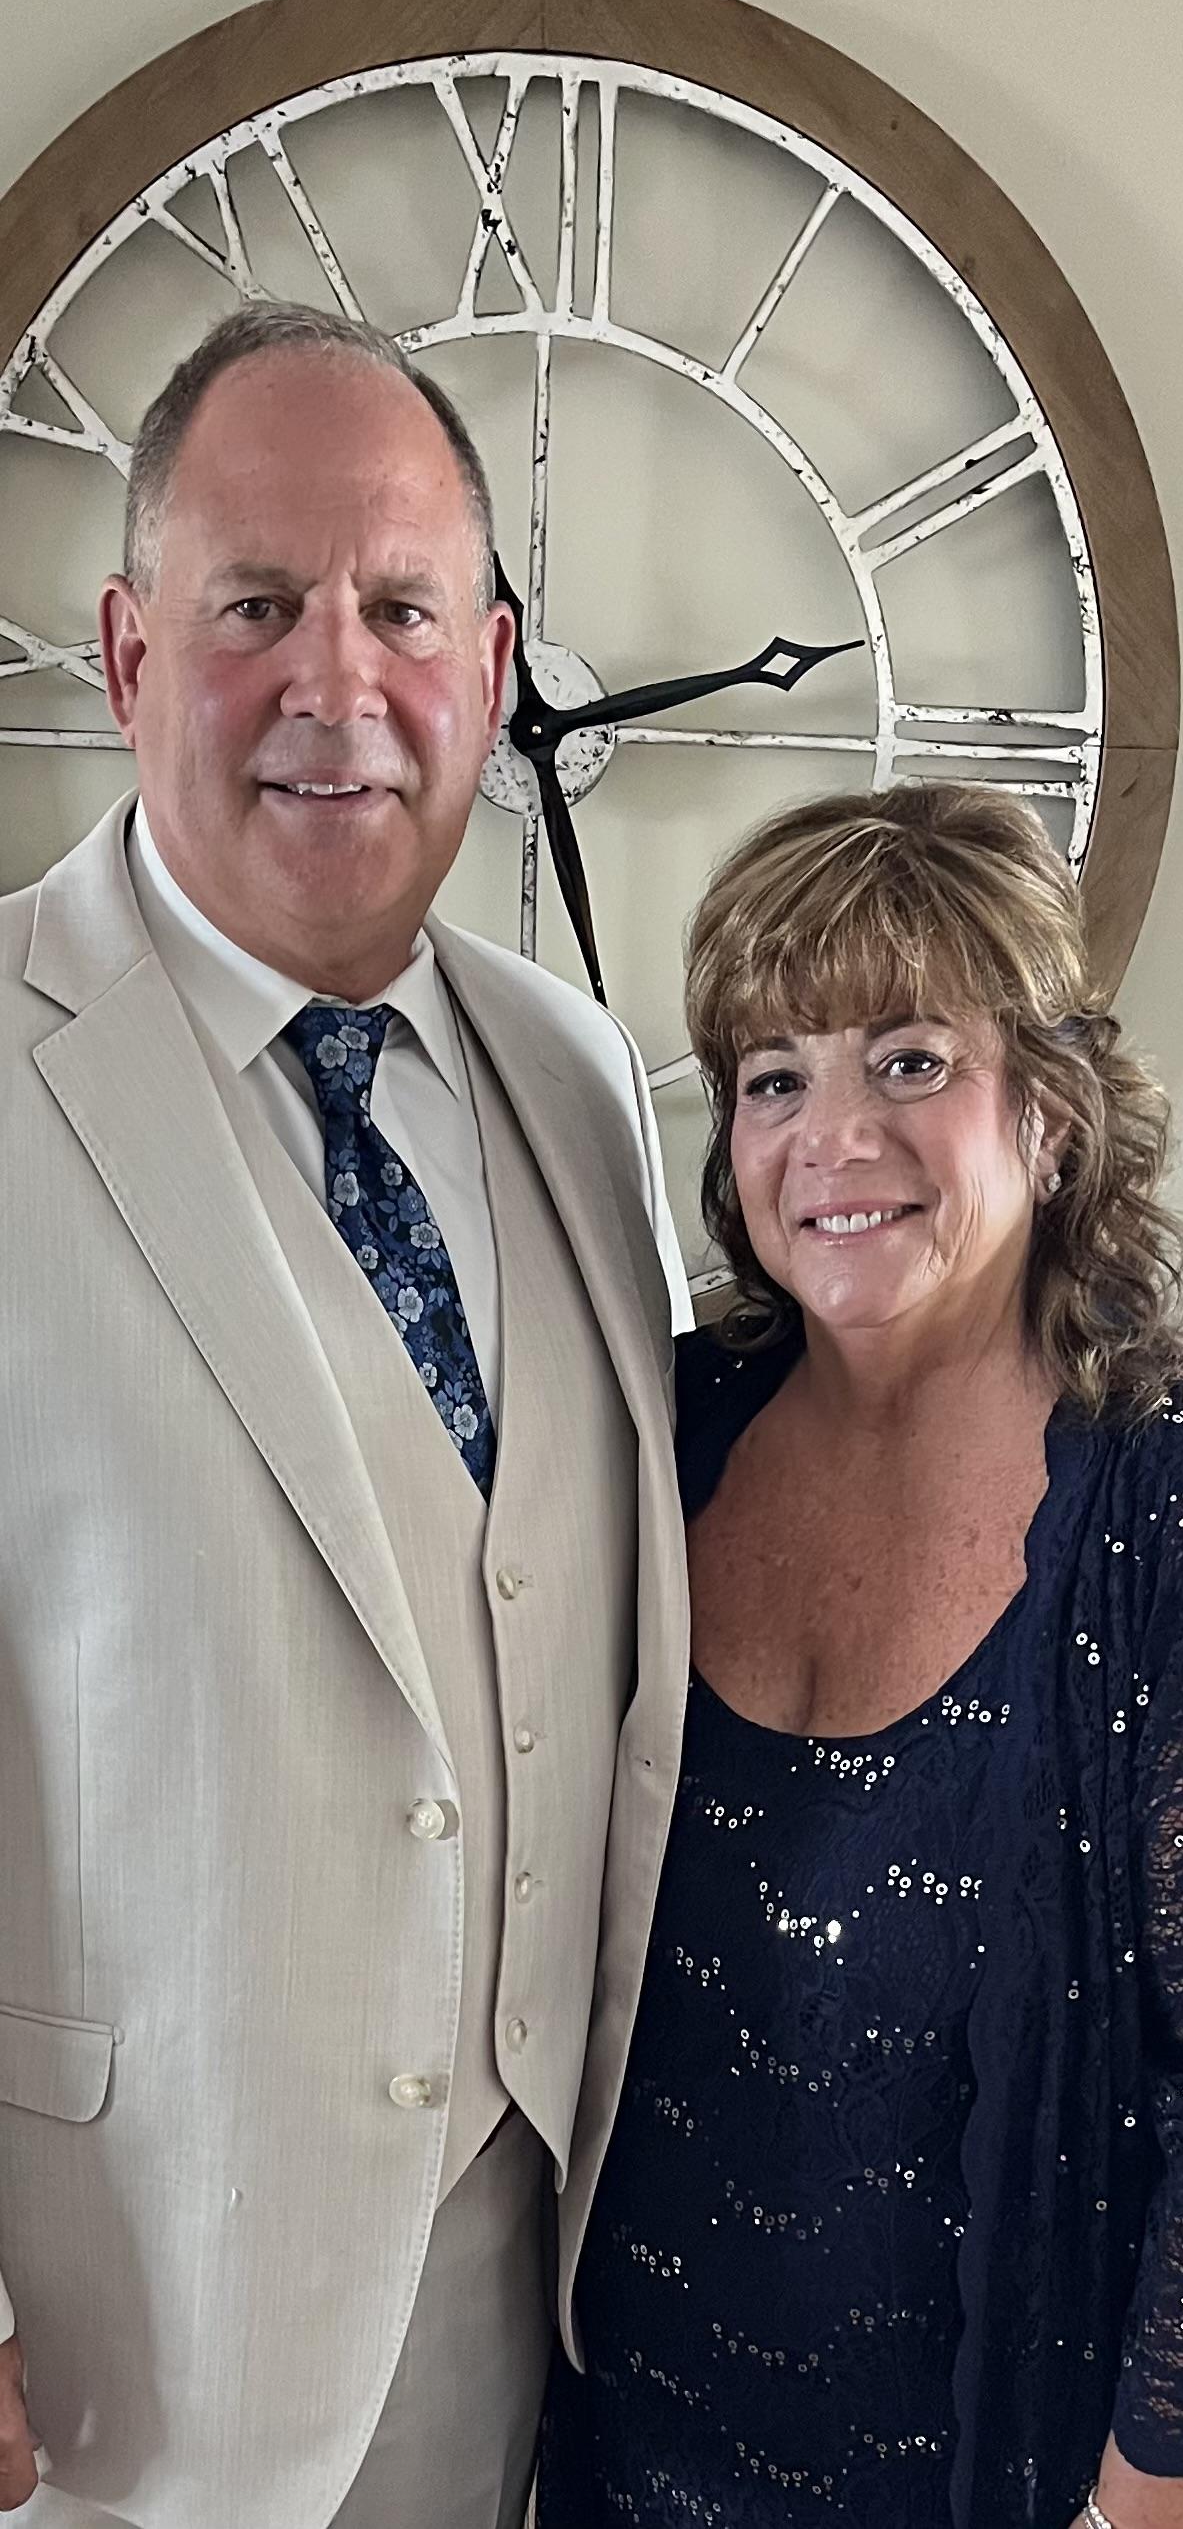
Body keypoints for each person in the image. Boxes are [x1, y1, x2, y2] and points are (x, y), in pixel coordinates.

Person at [0, 300, 693, 2529]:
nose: (335, 683)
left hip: (525, 2347)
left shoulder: (577, 1079)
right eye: (255, 607)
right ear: (128, 653)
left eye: (399, 610)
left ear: (488, 671)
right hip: (110, 2371)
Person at [539, 783, 1183, 2529]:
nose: (833, 1135)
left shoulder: (1159, 1505)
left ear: (1048, 1109)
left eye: (909, 1059)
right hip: (616, 2461)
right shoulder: (657, 1429)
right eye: (774, 1076)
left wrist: (1138, 2508)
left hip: (1016, 2481)